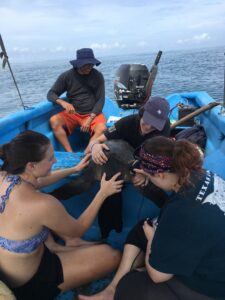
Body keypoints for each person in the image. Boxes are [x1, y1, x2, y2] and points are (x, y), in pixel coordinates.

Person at [78, 136, 225, 300]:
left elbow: (158, 276)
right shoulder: (200, 173)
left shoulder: (180, 210)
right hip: (207, 244)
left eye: (149, 174)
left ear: (160, 175)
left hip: (212, 283)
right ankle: (110, 289)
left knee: (129, 287)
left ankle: (118, 289)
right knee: (142, 227)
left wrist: (152, 240)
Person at [0, 130, 123, 300]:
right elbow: (78, 229)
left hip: (10, 268)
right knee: (113, 255)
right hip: (31, 283)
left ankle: (60, 247)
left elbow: (39, 181)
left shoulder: (6, 176)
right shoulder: (42, 203)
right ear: (31, 166)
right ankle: (63, 251)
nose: (55, 161)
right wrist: (103, 193)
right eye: (50, 158)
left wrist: (73, 169)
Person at [89, 96, 171, 238]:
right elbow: (99, 139)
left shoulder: (164, 127)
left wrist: (146, 172)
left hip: (145, 163)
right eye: (147, 121)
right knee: (111, 189)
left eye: (154, 125)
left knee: (157, 192)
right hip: (121, 161)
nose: (149, 127)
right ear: (142, 113)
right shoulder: (126, 123)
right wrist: (95, 146)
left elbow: (160, 156)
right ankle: (108, 231)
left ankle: (170, 215)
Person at [47, 48, 106, 153]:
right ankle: (70, 153)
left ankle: (86, 154)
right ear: (79, 64)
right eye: (87, 64)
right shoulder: (66, 76)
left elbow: (100, 100)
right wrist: (62, 102)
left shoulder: (97, 76)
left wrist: (90, 119)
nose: (90, 67)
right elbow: (51, 94)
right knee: (54, 120)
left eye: (91, 64)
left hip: (93, 113)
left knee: (102, 129)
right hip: (74, 113)